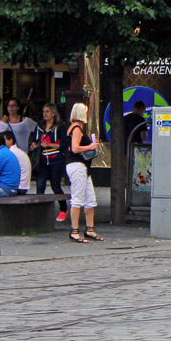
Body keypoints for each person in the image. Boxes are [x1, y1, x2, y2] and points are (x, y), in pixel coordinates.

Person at [62, 102, 103, 242]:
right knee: (78, 198)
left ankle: (89, 229)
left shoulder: (74, 127)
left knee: (90, 199)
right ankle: (74, 231)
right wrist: (90, 146)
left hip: (82, 166)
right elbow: (75, 148)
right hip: (77, 166)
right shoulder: (77, 128)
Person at [31, 103, 67, 221]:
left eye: (47, 111)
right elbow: (33, 140)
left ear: (53, 113)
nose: (45, 114)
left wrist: (50, 144)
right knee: (40, 186)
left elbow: (64, 145)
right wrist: (34, 145)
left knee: (56, 186)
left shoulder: (59, 127)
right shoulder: (39, 126)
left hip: (55, 160)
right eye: (43, 112)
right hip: (41, 160)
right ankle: (39, 212)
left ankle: (63, 209)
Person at [2, 130, 32, 195]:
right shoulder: (17, 151)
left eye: (3, 140)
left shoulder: (11, 153)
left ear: (10, 141)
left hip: (18, 187)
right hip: (22, 186)